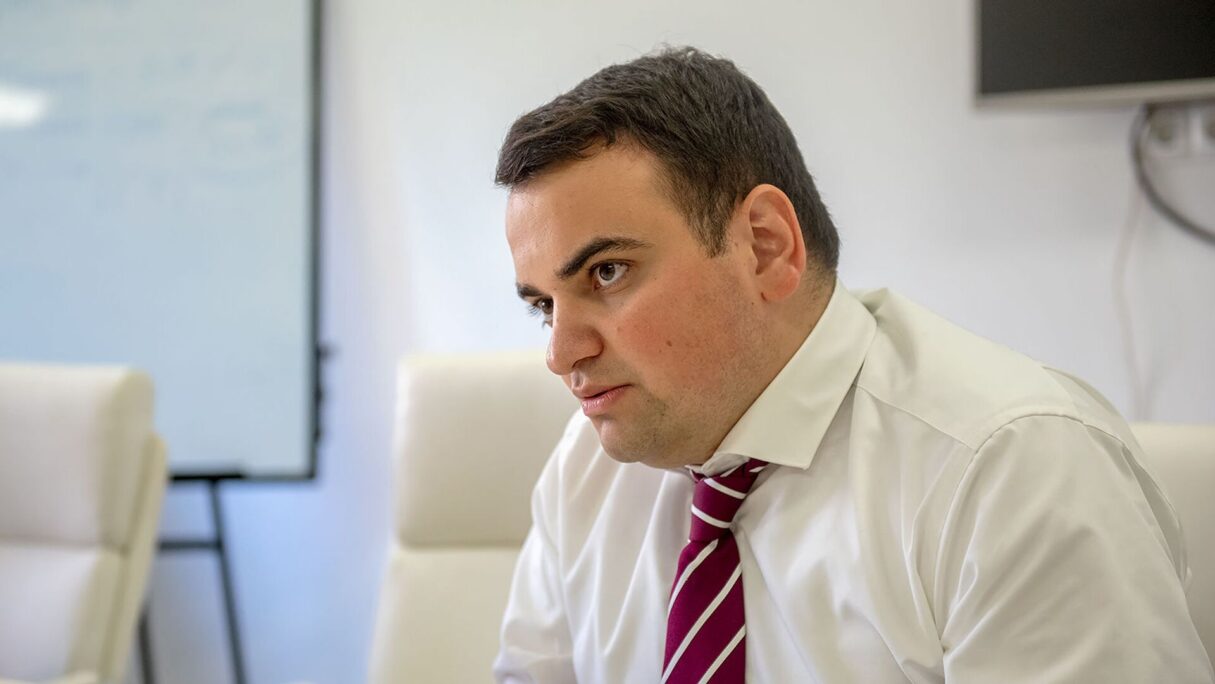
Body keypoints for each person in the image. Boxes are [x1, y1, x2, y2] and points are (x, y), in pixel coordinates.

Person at [491, 47, 1212, 683]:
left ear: (765, 246)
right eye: (543, 306)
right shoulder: (585, 470)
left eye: (607, 272)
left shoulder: (1009, 470)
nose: (560, 353)